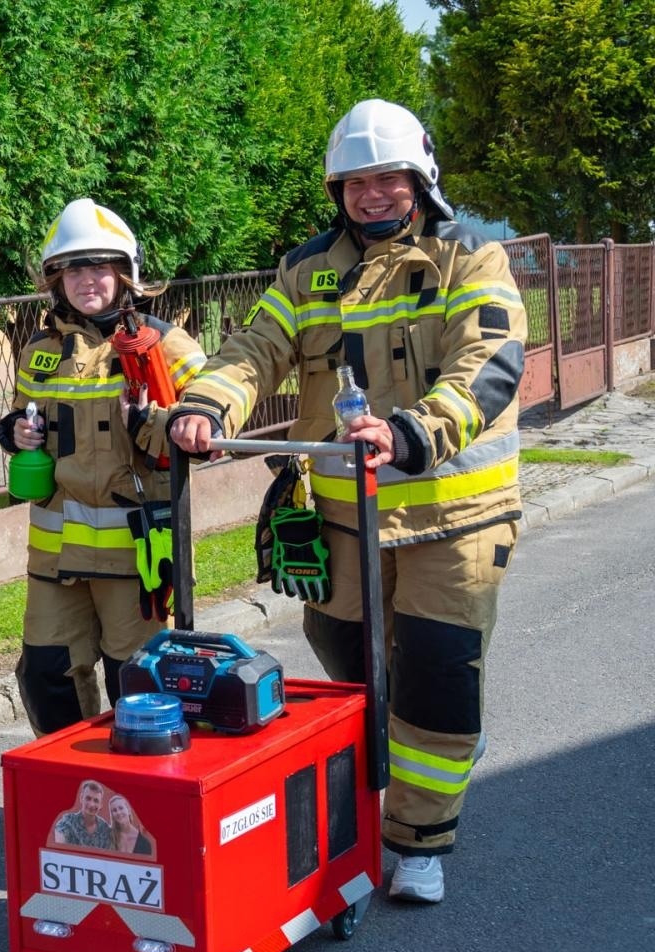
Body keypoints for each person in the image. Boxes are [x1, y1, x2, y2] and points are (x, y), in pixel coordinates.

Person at [168, 99, 527, 904]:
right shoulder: (307, 268)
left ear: (419, 178)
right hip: (342, 521)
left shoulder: (468, 256)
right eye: (355, 181)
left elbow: (489, 362)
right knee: (348, 668)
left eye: (388, 178)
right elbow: (255, 348)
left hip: (453, 518)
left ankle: (419, 839)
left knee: (435, 675)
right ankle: (384, 791)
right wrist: (205, 405)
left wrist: (415, 430)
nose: (372, 195)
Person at [0, 198, 205, 736]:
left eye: (99, 266)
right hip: (56, 558)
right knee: (46, 678)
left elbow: (208, 432)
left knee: (136, 687)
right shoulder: (41, 349)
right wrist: (14, 431)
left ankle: (133, 799)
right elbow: (27, 416)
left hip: (135, 561)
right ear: (55, 278)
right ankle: (71, 789)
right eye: (73, 268)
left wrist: (149, 423)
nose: (86, 279)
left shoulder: (163, 344)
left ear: (125, 273)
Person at [52, 780, 113, 850]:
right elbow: (60, 846)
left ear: (101, 805)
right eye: (88, 798)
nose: (91, 804)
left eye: (96, 800)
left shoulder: (105, 829)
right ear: (81, 798)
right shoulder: (68, 821)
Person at [108, 793, 153, 858]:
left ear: (128, 810)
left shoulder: (144, 844)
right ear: (112, 815)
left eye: (121, 808)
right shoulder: (108, 837)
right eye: (114, 810)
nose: (118, 812)